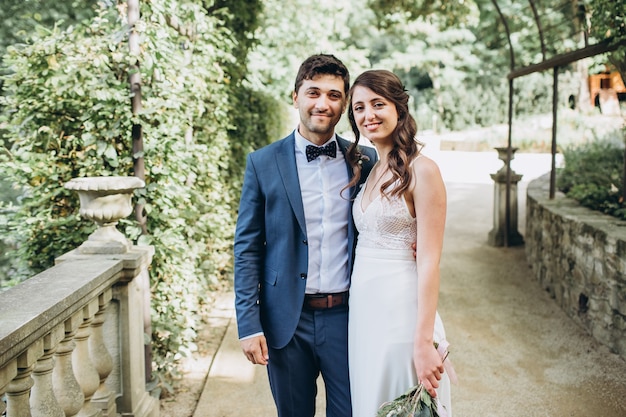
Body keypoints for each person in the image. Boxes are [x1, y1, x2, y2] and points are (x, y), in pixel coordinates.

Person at [233, 54, 378, 417]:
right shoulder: (262, 163)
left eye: (334, 95)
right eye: (313, 92)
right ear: (295, 96)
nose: (323, 104)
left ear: (344, 104)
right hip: (286, 322)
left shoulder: (366, 160)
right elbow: (247, 248)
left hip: (348, 316)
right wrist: (248, 324)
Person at [345, 69, 454, 416]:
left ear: (399, 109)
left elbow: (429, 261)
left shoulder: (423, 170)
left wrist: (422, 342)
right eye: (359, 108)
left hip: (401, 315)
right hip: (364, 314)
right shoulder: (370, 169)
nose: (368, 115)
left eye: (378, 104)